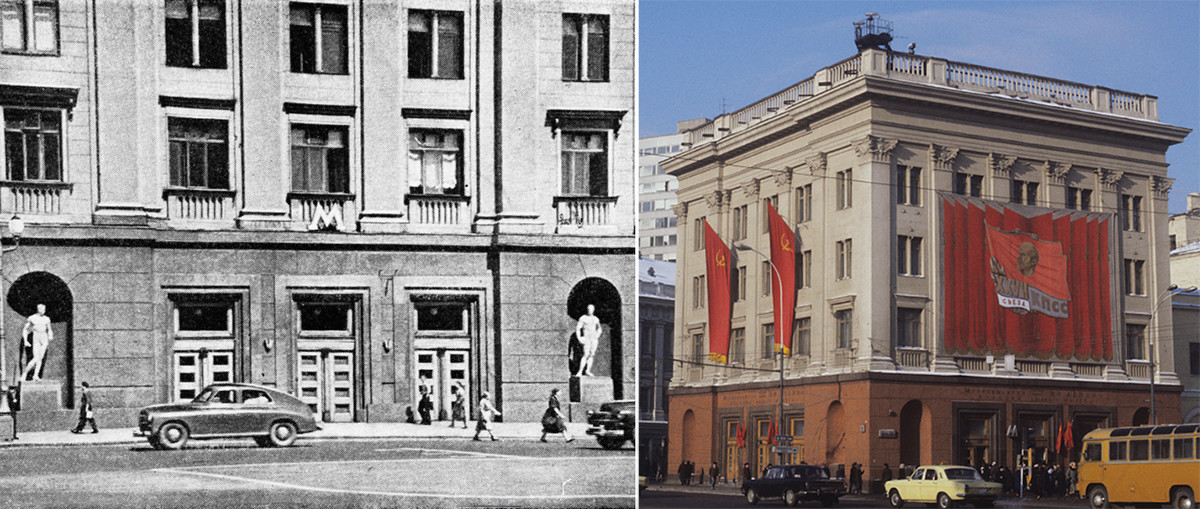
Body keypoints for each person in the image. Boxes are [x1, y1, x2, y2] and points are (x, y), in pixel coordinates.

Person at [21, 304, 52, 381]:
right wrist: (25, 340)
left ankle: (35, 375)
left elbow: (49, 329)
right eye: (42, 309)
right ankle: (25, 373)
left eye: (45, 309)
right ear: (39, 309)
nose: (44, 311)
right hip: (36, 338)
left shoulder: (46, 319)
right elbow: (25, 329)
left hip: (44, 338)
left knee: (40, 358)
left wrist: (50, 335)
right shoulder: (32, 318)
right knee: (36, 358)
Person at [574, 304, 601, 376]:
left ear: (593, 310)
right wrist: (579, 337)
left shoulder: (595, 319)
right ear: (587, 309)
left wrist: (597, 335)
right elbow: (578, 328)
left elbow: (599, 328)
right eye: (589, 309)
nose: (590, 311)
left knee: (591, 355)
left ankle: (588, 370)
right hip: (587, 338)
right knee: (586, 354)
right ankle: (580, 371)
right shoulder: (583, 318)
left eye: (592, 309)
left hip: (593, 339)